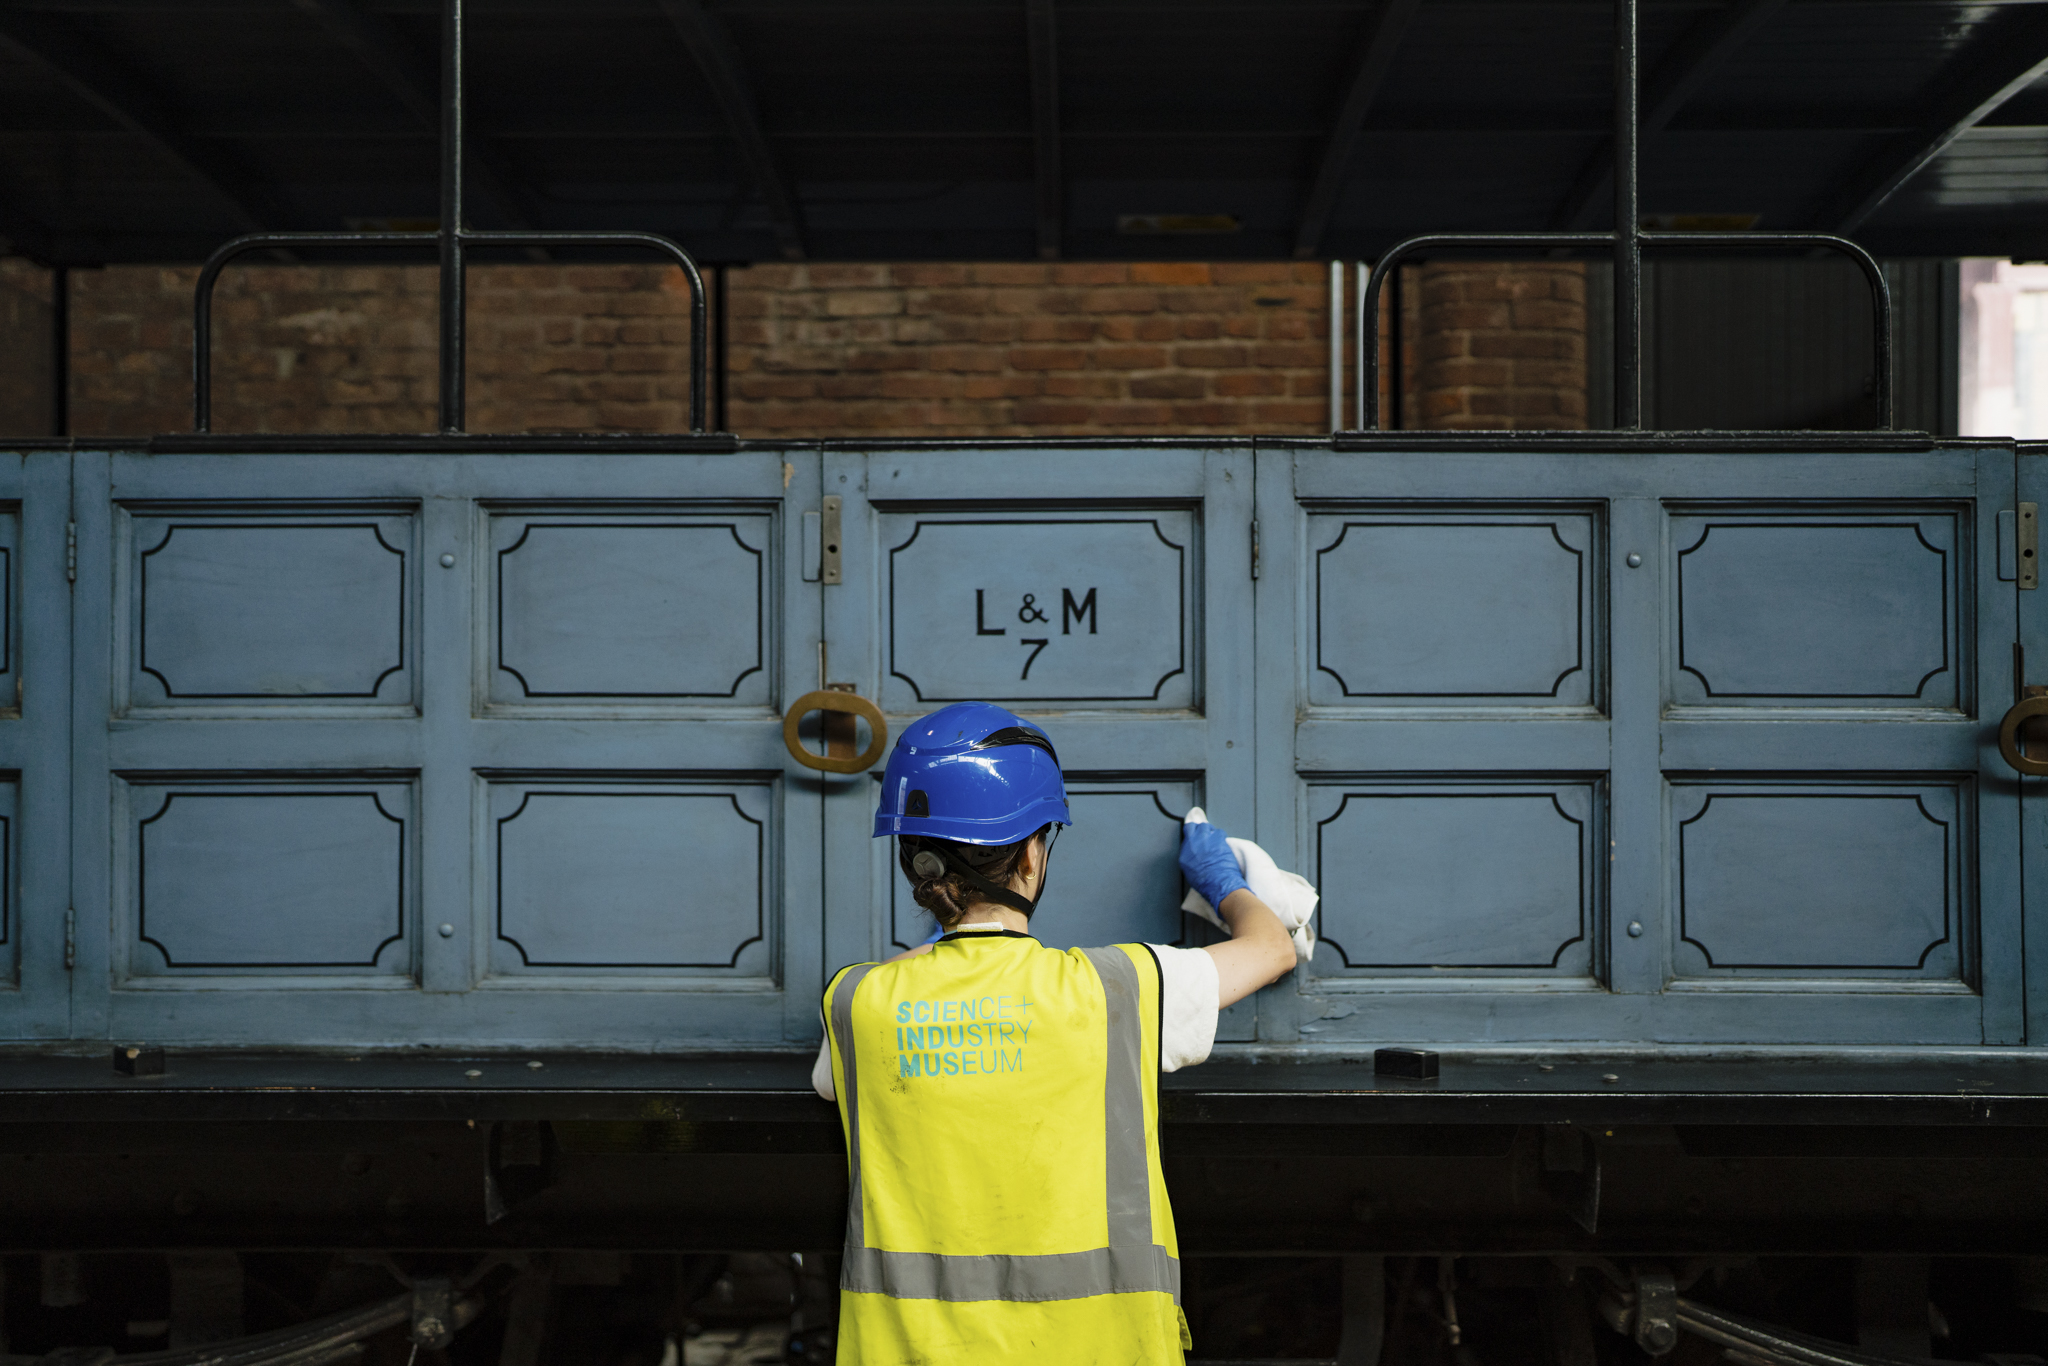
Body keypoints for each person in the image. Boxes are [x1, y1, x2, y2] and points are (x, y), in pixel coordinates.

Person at [812, 701, 1298, 1365]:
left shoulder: (856, 1003)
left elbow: (884, 1012)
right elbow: (1272, 949)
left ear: (916, 869)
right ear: (1033, 856)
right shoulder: (1119, 990)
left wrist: (947, 931)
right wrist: (1221, 883)